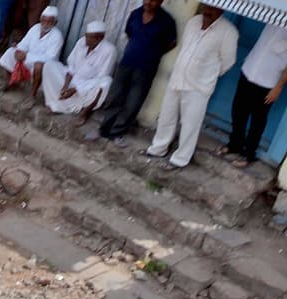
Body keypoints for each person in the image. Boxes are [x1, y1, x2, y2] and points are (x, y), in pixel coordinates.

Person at [144, 3, 237, 171]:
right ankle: (158, 148)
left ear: (222, 9)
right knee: (166, 115)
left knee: (190, 124)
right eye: (206, 6)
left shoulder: (229, 32)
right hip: (178, 78)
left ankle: (180, 159)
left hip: (199, 86)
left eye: (212, 8)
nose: (207, 10)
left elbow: (228, 62)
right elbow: (185, 47)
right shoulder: (194, 21)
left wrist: (207, 74)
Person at [93, 0, 177, 145]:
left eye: (153, 0)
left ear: (161, 1)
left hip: (146, 68)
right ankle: (104, 129)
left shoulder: (167, 21)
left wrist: (154, 53)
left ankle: (117, 133)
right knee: (114, 97)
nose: (148, 2)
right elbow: (129, 33)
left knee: (133, 102)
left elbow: (171, 43)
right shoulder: (135, 14)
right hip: (127, 62)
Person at [222, 24, 287, 168]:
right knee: (238, 112)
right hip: (249, 71)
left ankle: (249, 154)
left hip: (268, 83)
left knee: (257, 121)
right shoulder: (274, 16)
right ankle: (235, 144)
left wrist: (278, 87)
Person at [41, 20, 116, 123]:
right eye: (86, 36)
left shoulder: (109, 50)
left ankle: (84, 112)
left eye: (91, 37)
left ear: (100, 38)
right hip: (73, 79)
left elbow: (101, 77)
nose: (87, 40)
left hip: (88, 87)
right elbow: (71, 66)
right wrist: (66, 85)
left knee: (106, 82)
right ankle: (56, 105)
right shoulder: (81, 42)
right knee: (49, 65)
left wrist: (76, 89)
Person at [0, 6, 62, 97]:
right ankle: (11, 82)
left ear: (55, 23)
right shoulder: (35, 28)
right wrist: (19, 50)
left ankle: (33, 94)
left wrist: (26, 56)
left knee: (38, 66)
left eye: (49, 21)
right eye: (43, 20)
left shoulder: (57, 35)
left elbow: (50, 57)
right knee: (10, 52)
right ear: (40, 19)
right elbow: (24, 43)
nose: (45, 24)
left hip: (44, 65)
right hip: (27, 58)